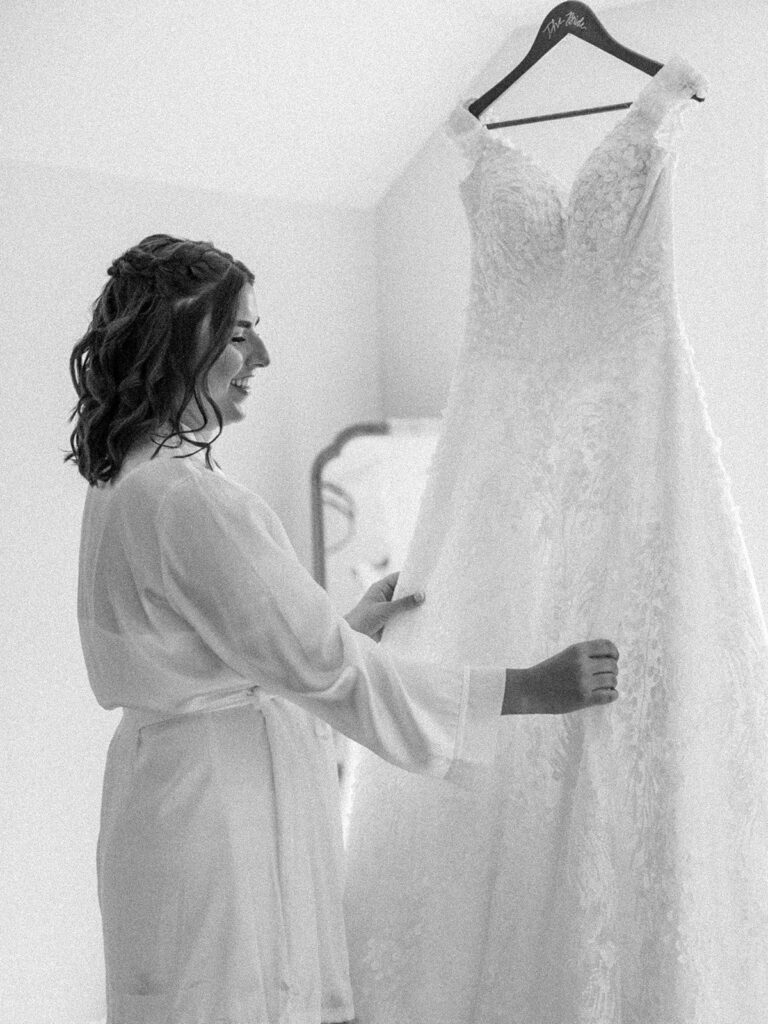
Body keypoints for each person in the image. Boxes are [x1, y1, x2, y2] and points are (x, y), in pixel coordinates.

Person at [65, 233, 620, 1024]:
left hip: (162, 800)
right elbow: (329, 672)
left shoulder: (125, 479)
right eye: (238, 333)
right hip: (225, 813)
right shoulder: (191, 499)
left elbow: (213, 648)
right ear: (178, 342)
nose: (261, 355)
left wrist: (344, 624)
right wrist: (526, 689)